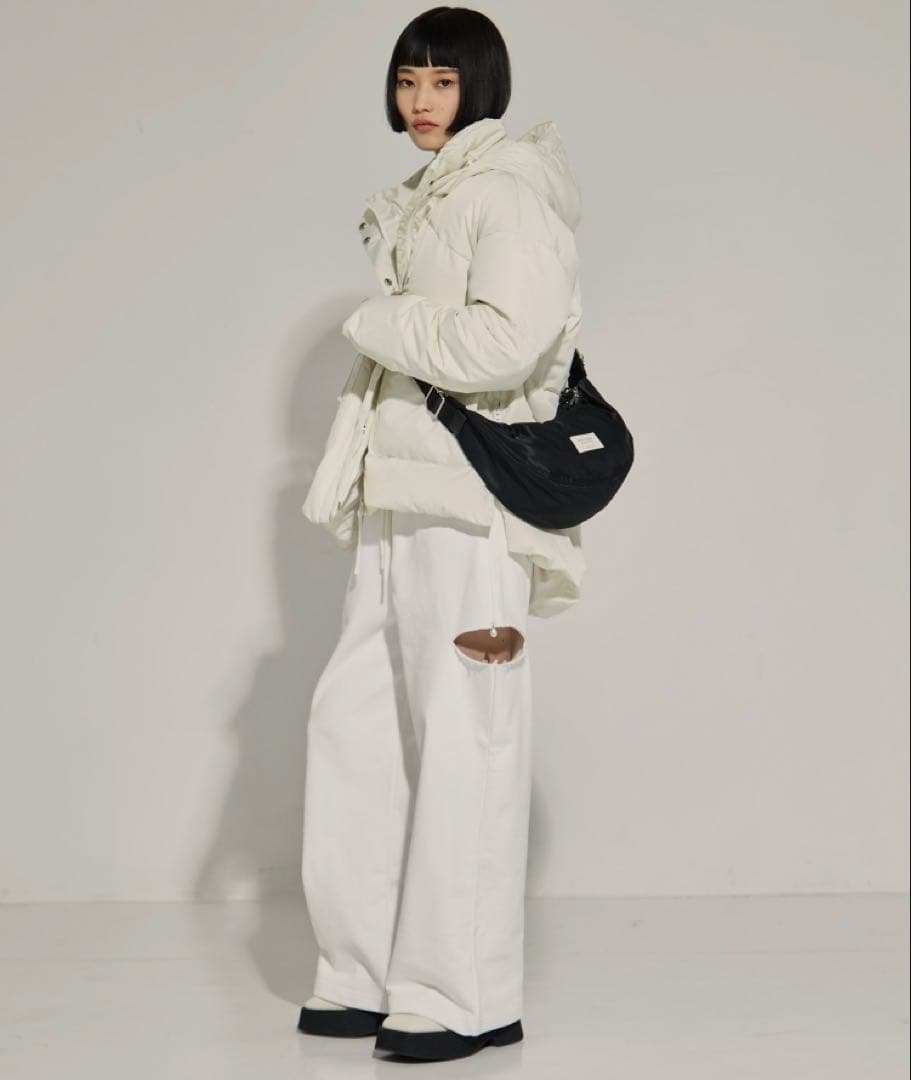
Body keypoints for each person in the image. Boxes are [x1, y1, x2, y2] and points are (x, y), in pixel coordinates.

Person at [297, 5, 586, 1063]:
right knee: (357, 728)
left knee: (468, 732)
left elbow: (505, 342)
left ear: (481, 88)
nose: (419, 100)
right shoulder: (433, 194)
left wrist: (375, 322)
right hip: (398, 492)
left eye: (442, 82)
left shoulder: (505, 193)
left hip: (470, 505)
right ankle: (365, 970)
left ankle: (463, 992)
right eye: (407, 80)